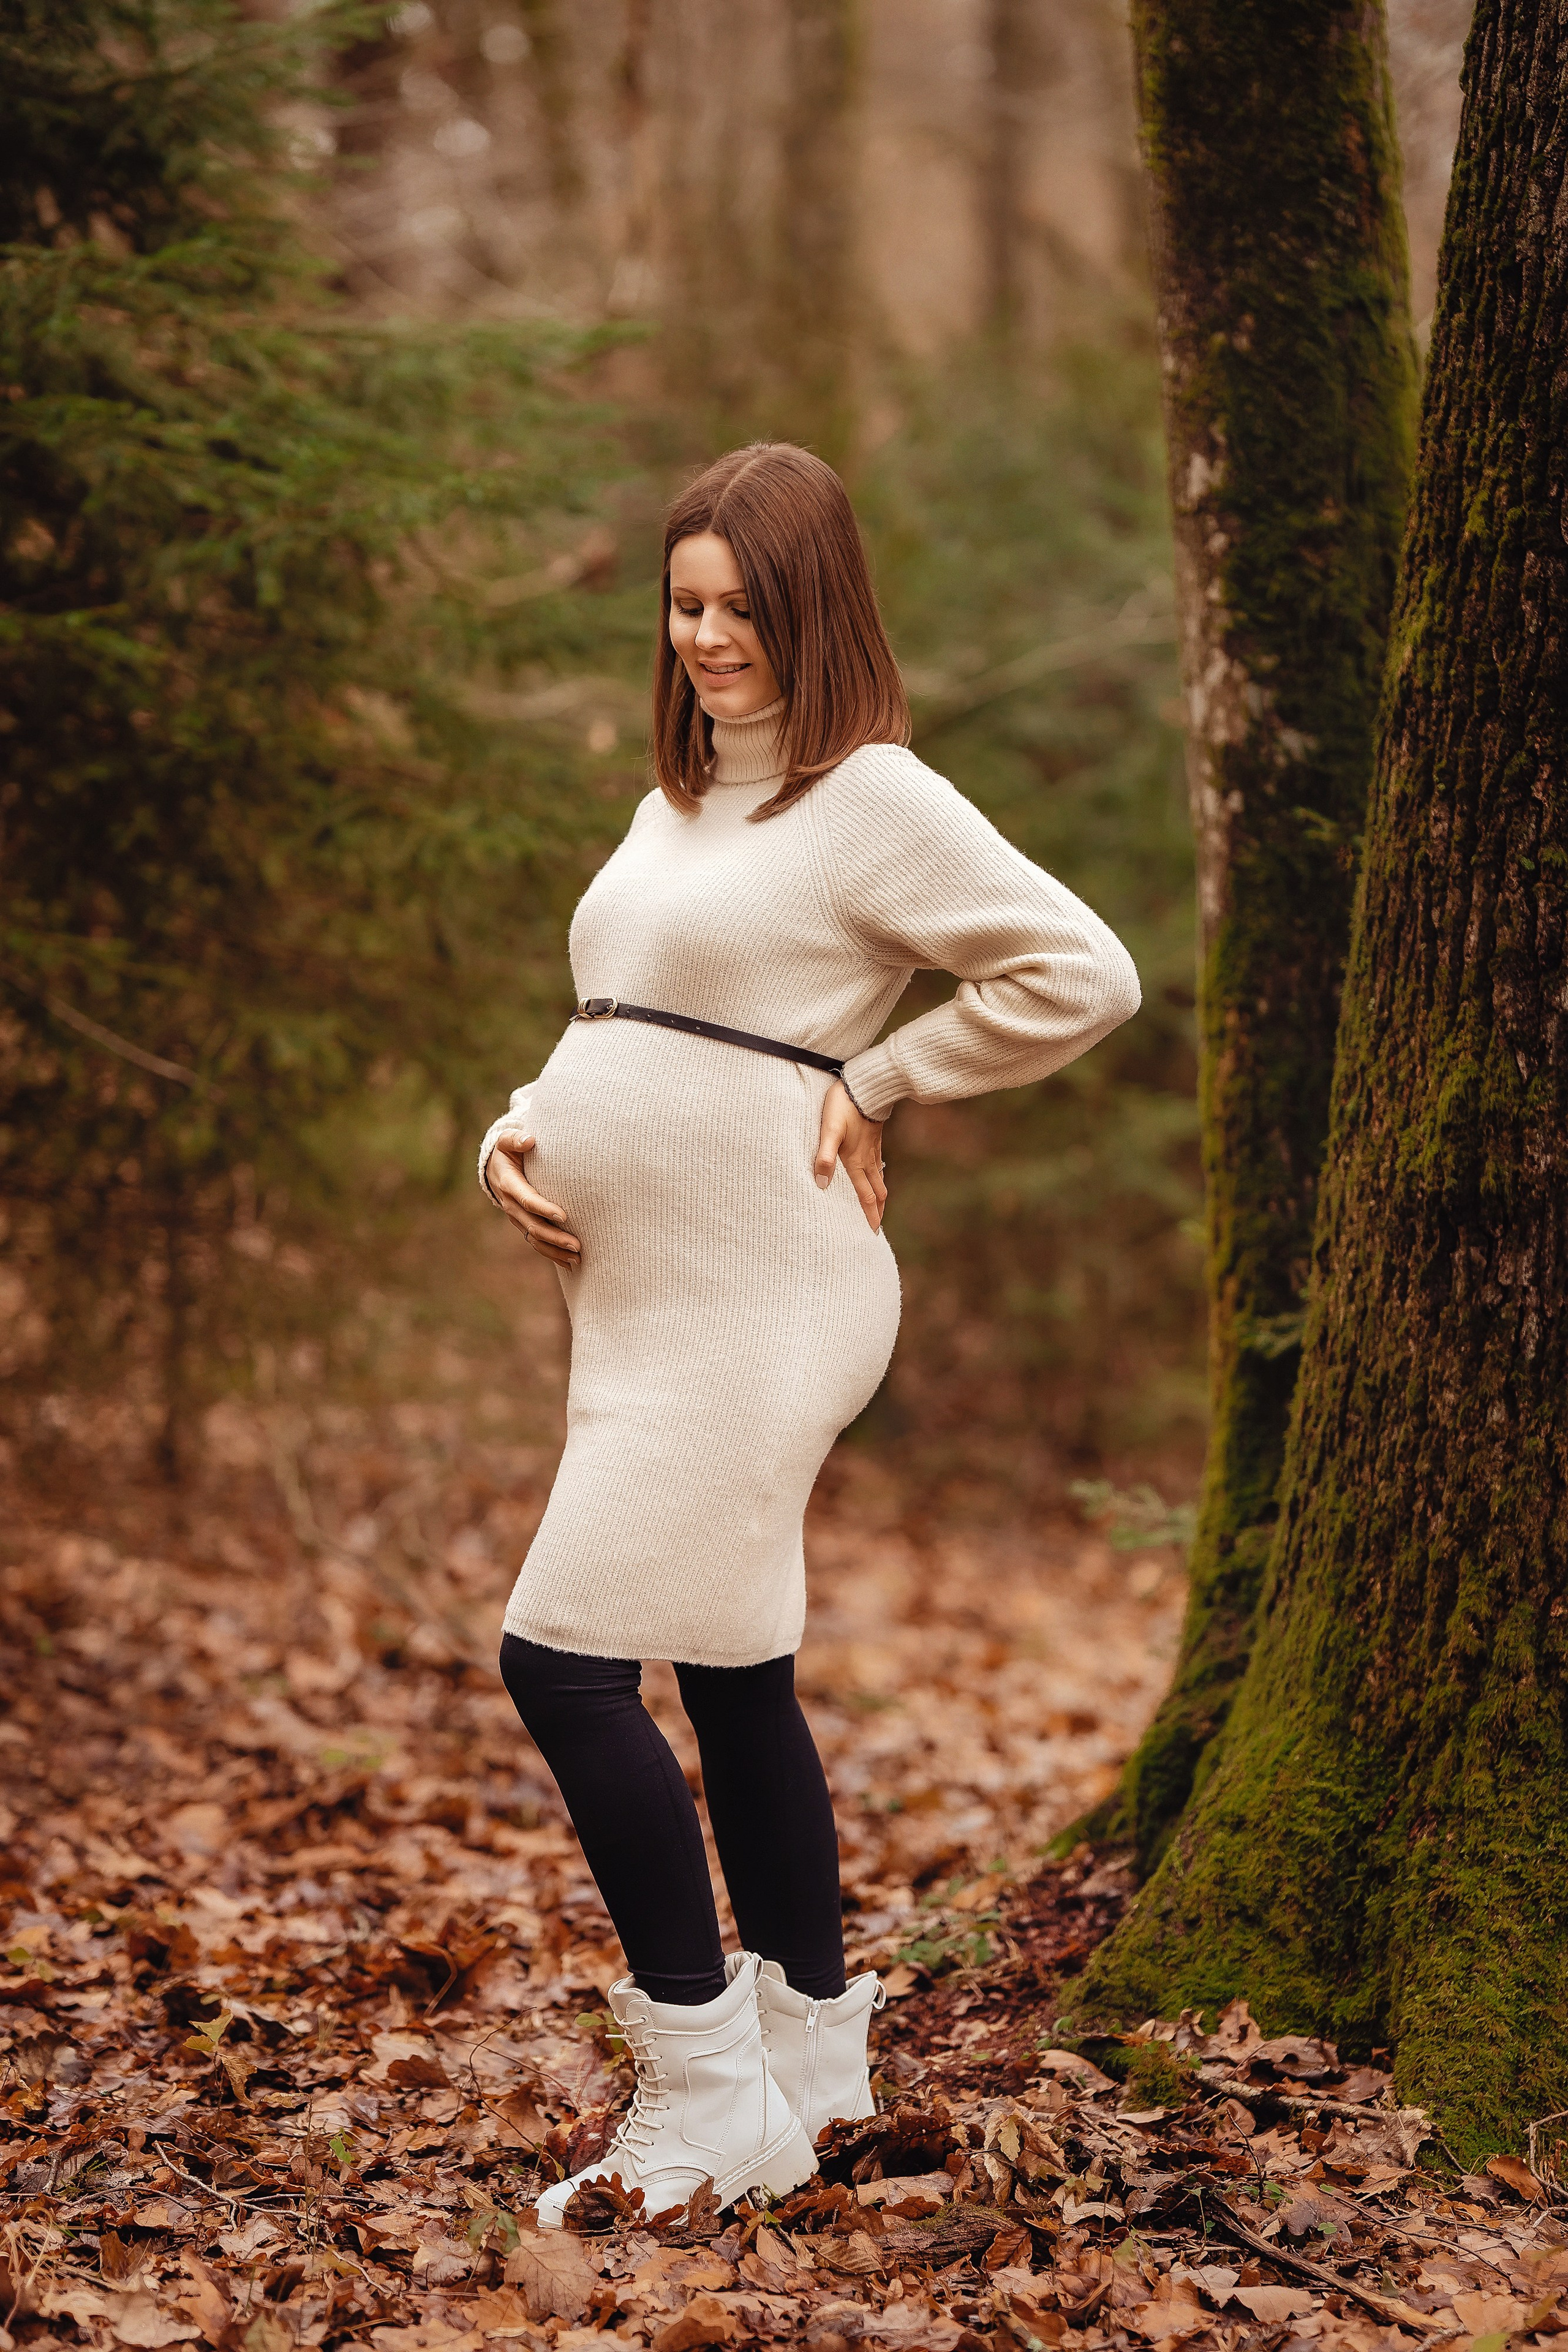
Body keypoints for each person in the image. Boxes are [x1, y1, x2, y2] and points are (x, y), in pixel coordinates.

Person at [478, 443, 1140, 2228]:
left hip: (771, 1296)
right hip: (638, 1303)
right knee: (735, 1673)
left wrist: (889, 1069)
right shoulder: (674, 804)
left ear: (814, 607)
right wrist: (520, 1124)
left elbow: (1081, 971)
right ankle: (818, 2077)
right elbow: (626, 1016)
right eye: (684, 606)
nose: (705, 638)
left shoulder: (876, 802)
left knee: (563, 1660)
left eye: (741, 609)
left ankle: (707, 2100)